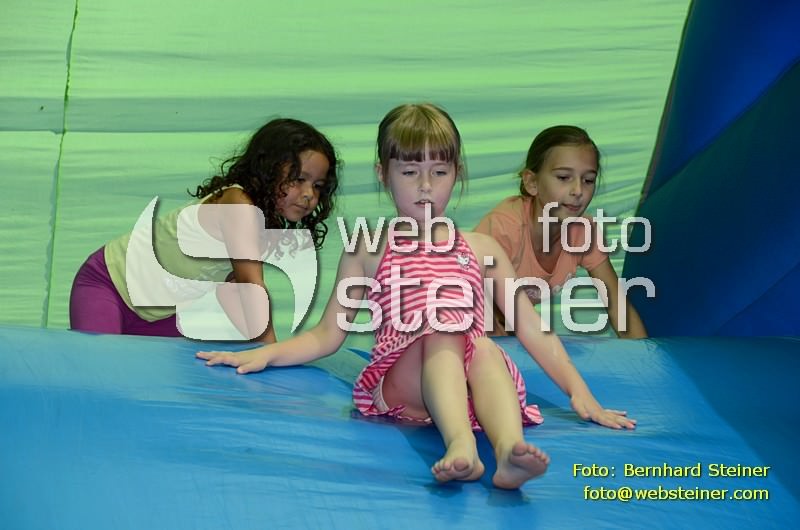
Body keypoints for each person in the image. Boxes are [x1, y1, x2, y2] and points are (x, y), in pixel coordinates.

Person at [197, 104, 635, 490]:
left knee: (483, 345)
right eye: (409, 173)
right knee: (444, 331)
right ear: (382, 174)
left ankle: (507, 451)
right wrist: (267, 353)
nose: (425, 186)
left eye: (439, 173)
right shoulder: (370, 247)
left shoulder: (480, 248)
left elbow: (533, 329)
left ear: (457, 173)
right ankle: (461, 444)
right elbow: (328, 335)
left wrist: (581, 394)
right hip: (403, 385)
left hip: (467, 387)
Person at [69, 118, 340, 341]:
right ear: (268, 170)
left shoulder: (262, 224)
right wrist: (271, 350)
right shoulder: (238, 203)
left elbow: (236, 291)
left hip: (159, 314)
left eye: (317, 186)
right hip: (109, 285)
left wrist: (261, 350)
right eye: (298, 179)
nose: (309, 194)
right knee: (101, 367)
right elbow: (251, 287)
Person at [474, 125, 648, 338]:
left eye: (588, 180)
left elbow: (619, 308)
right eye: (564, 177)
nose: (578, 191)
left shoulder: (583, 232)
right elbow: (466, 300)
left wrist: (644, 354)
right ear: (532, 183)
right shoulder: (504, 229)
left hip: (507, 326)